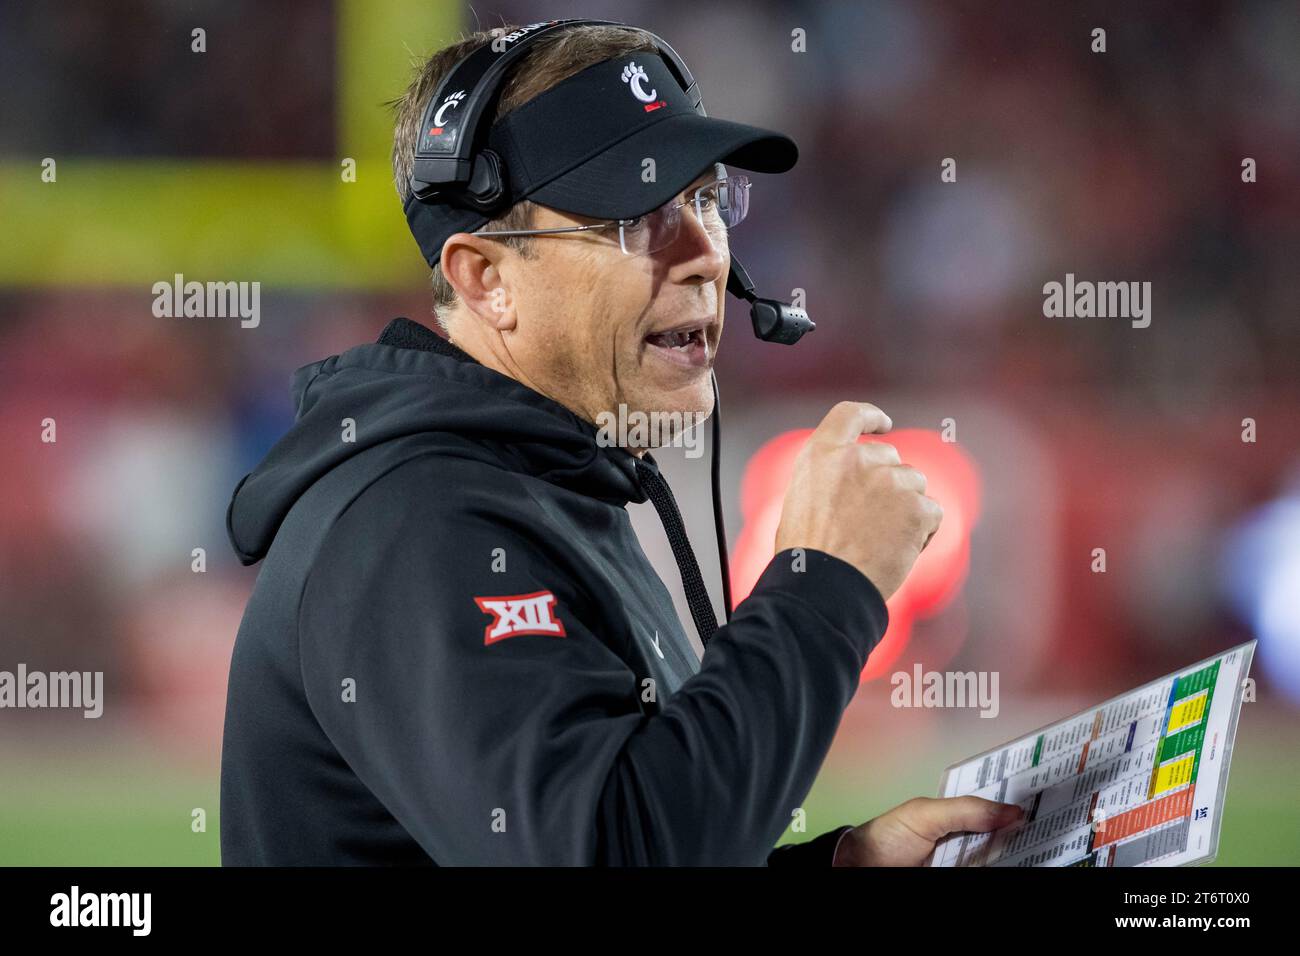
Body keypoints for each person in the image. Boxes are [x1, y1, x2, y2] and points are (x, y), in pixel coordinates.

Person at [219, 21, 1021, 866]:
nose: (707, 254)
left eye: (707, 199)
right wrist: (825, 588)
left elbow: (625, 818)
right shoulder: (413, 523)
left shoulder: (549, 481)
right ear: (485, 278)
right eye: (636, 215)